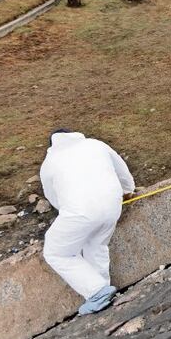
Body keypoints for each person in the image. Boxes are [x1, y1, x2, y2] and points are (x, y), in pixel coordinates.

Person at [40, 130, 135, 315]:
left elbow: (53, 197)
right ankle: (103, 292)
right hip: (112, 205)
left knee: (56, 252)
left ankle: (96, 292)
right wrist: (128, 190)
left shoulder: (49, 163)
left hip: (80, 211)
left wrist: (68, 211)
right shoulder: (96, 144)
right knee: (97, 245)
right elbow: (122, 169)